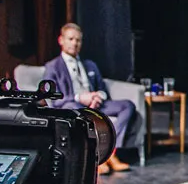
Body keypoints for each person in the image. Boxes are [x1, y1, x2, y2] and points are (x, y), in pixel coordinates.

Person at [41, 22, 135, 174]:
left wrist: (98, 96)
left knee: (127, 106)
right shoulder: (53, 67)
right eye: (71, 39)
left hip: (95, 104)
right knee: (72, 108)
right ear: (61, 40)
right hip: (73, 105)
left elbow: (102, 89)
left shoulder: (90, 65)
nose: (75, 43)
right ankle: (96, 158)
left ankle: (110, 152)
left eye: (78, 40)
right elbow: (55, 98)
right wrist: (80, 98)